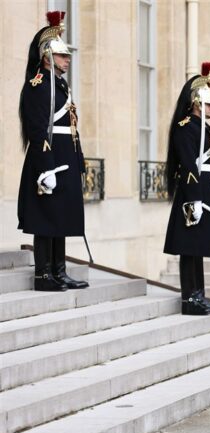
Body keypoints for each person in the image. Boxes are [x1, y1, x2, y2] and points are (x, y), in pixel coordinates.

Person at [17, 11, 89, 292]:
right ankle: (43, 274)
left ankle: (59, 271)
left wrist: (78, 160)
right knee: (45, 218)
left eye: (67, 54)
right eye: (61, 55)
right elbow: (37, 129)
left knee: (61, 216)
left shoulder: (60, 85)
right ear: (47, 56)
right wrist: (45, 167)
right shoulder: (38, 85)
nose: (67, 59)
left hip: (65, 156)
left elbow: (71, 125)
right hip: (48, 158)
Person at [164, 62, 210, 315]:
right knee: (190, 247)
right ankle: (190, 299)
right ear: (196, 103)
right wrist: (194, 199)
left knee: (198, 246)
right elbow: (189, 165)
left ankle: (199, 295)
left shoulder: (203, 128)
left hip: (205, 189)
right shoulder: (185, 127)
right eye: (208, 103)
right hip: (193, 191)